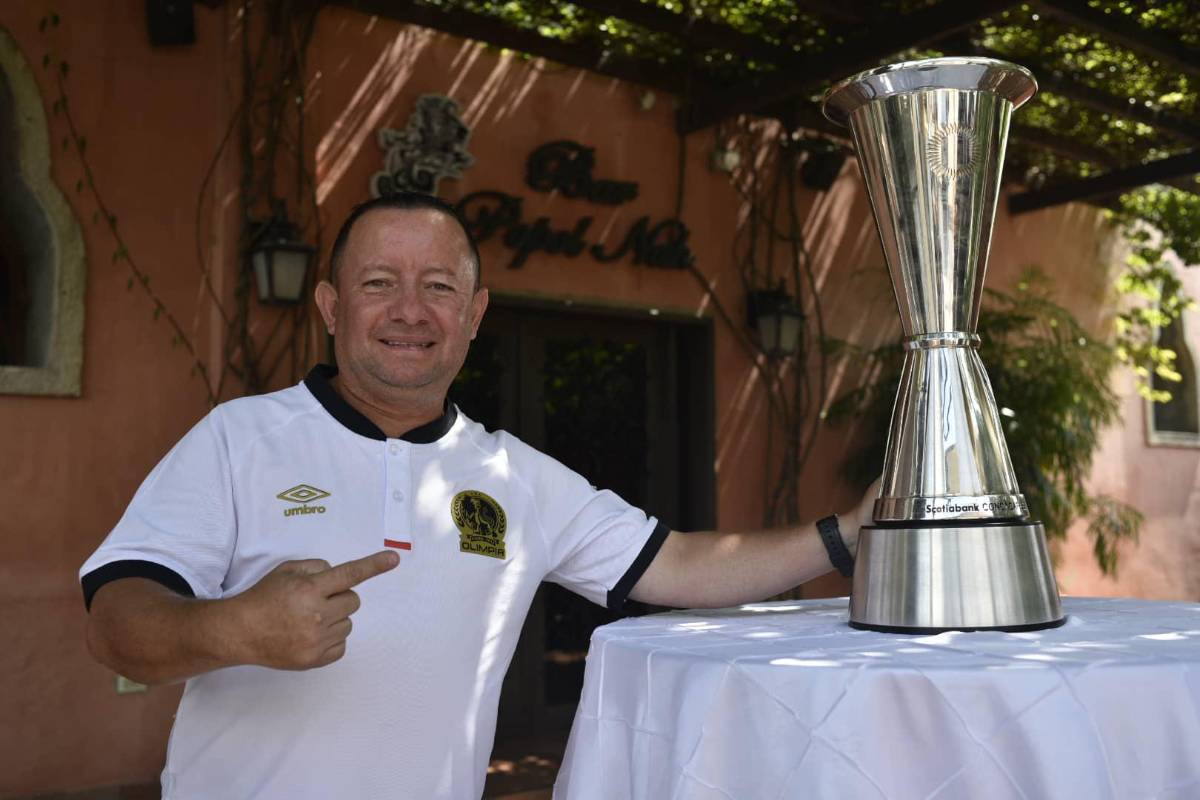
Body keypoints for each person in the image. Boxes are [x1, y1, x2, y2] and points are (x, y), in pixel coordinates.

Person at [81, 192, 876, 799]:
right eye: (379, 283)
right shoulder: (238, 439)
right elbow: (116, 623)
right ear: (330, 306)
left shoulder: (516, 476)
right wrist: (235, 629)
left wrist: (850, 532)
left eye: (437, 286)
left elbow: (678, 566)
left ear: (473, 315)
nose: (410, 312)